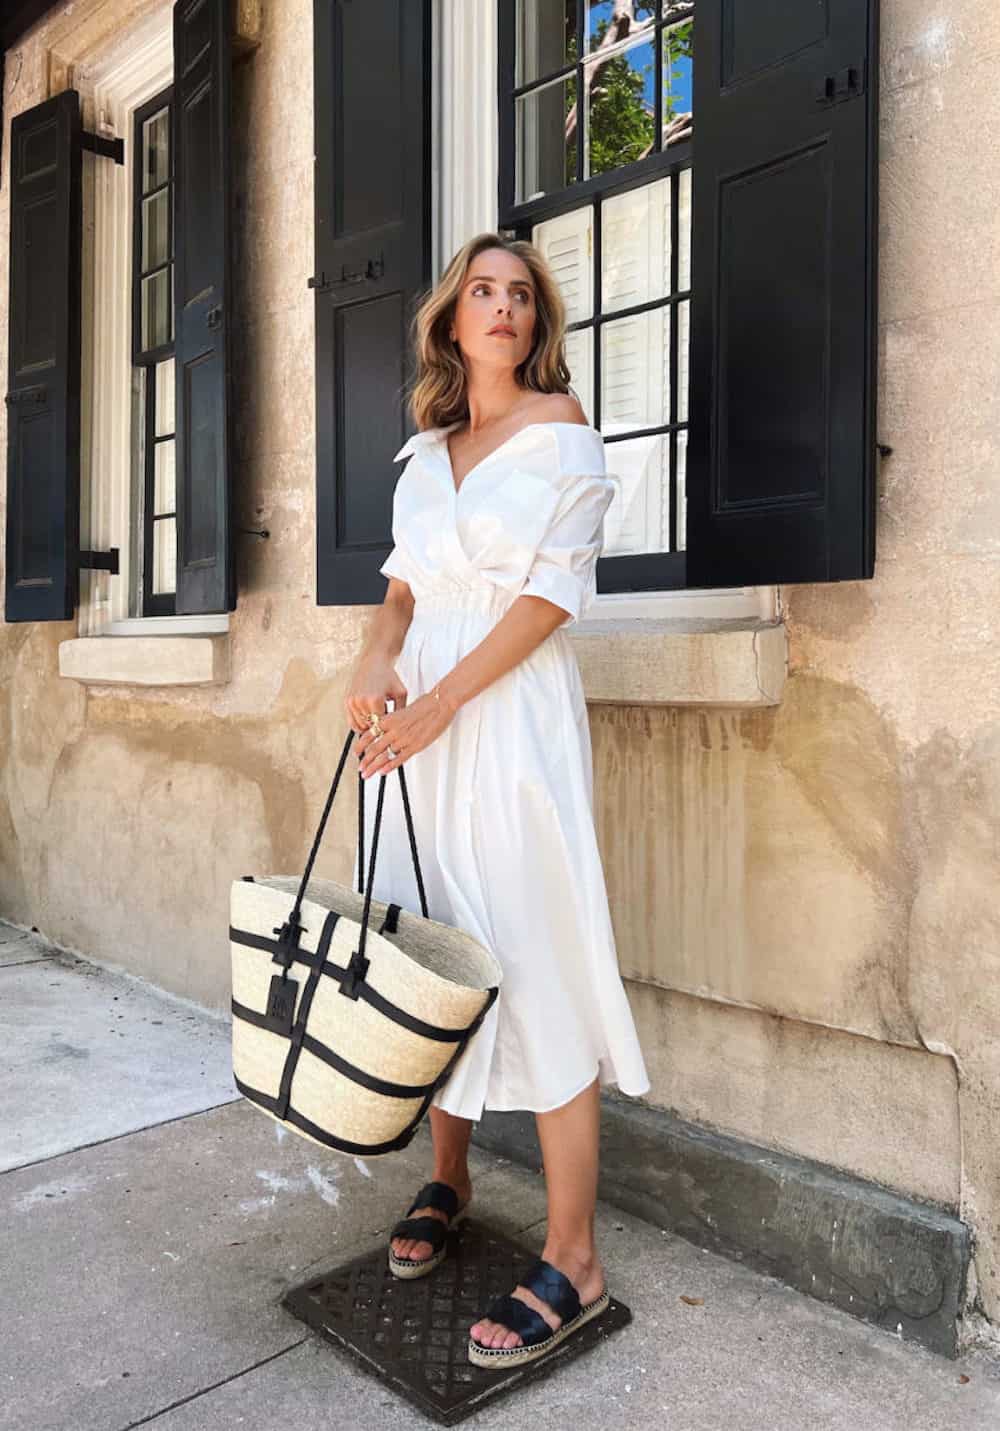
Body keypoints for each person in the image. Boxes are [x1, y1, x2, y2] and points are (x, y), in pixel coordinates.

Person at [345, 231, 650, 1370]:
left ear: (537, 322)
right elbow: (400, 597)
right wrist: (374, 666)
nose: (504, 307)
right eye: (484, 290)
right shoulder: (426, 453)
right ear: (451, 318)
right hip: (414, 733)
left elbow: (547, 603)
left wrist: (442, 705)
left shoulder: (563, 430)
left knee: (537, 952)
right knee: (435, 952)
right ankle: (448, 1177)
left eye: (522, 294)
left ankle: (573, 1254)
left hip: (507, 724)